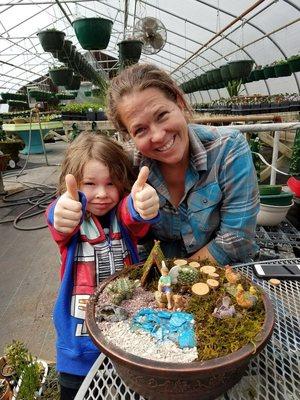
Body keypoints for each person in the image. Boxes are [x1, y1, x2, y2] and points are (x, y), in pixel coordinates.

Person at [107, 63, 259, 265]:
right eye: (140, 130)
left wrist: (177, 278)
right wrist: (60, 214)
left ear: (178, 103)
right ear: (129, 136)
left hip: (223, 272)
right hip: (157, 275)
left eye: (162, 115)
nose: (159, 136)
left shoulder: (227, 149)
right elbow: (99, 217)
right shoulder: (128, 165)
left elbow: (236, 239)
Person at [45, 132, 159, 400]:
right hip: (78, 346)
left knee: (128, 391)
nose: (101, 194)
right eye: (89, 183)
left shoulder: (121, 214)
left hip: (126, 338)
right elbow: (58, 218)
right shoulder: (72, 221)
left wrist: (142, 203)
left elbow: (134, 215)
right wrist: (62, 208)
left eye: (110, 183)